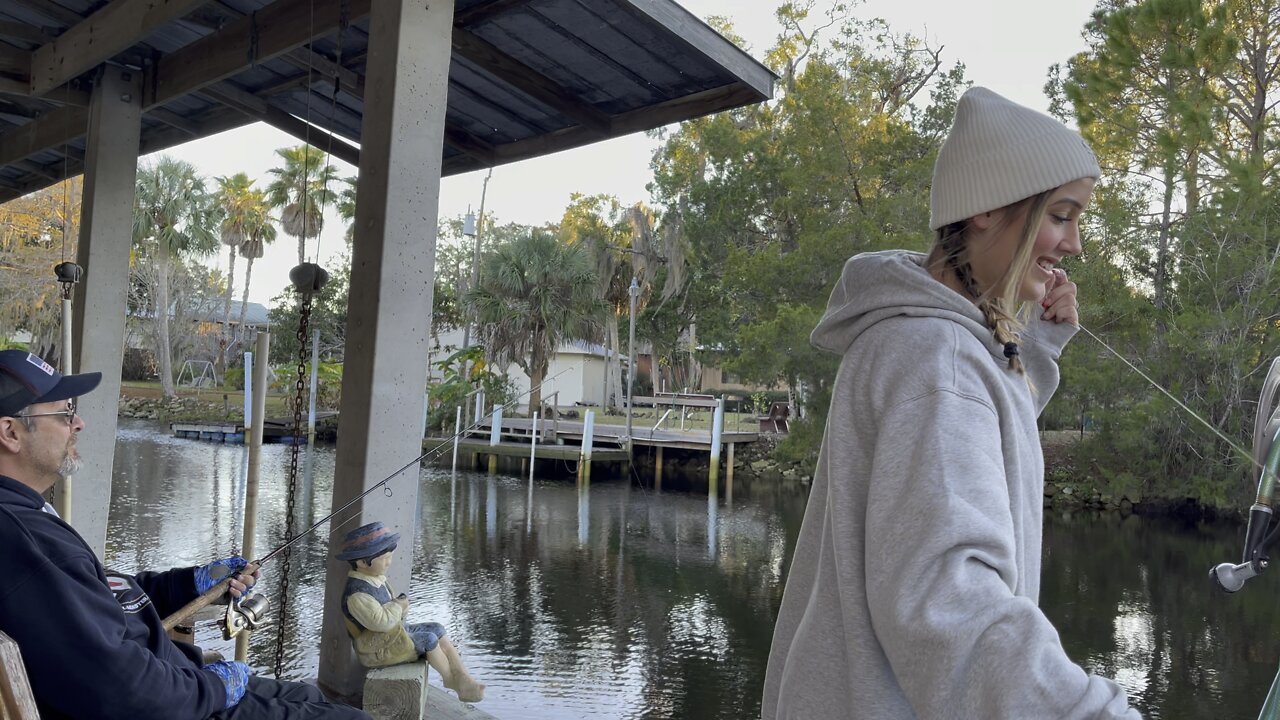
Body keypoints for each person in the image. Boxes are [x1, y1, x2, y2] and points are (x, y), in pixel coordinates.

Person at [761, 87, 1141, 719]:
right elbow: (949, 598)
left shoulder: (918, 341)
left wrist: (1038, 347)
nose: (1073, 244)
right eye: (1062, 214)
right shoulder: (937, 359)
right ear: (989, 209)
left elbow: (982, 447)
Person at [0, 349, 370, 720]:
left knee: (312, 698)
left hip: (179, 683)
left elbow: (98, 597)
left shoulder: (25, 518)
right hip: (180, 704)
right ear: (10, 432)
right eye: (64, 412)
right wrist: (216, 688)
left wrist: (188, 585)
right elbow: (121, 688)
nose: (78, 422)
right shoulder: (24, 541)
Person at [335, 521, 485, 703]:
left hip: (389, 637)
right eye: (384, 559)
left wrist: (399, 606)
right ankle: (451, 680)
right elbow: (381, 622)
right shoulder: (357, 594)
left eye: (390, 557)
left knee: (436, 628)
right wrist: (398, 605)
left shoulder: (376, 580)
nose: (389, 562)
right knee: (428, 639)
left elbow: (391, 618)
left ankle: (462, 676)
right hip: (374, 649)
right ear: (361, 563)